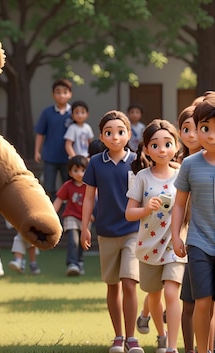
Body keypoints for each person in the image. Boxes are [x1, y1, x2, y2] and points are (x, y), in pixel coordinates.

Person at [80, 110, 143, 353]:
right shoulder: (95, 163)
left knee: (129, 282)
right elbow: (88, 198)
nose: (115, 137)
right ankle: (118, 337)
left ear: (129, 134)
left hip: (133, 231)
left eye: (120, 132)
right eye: (109, 133)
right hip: (105, 231)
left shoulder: (138, 162)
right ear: (101, 137)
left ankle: (132, 338)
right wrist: (85, 227)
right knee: (112, 285)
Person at [126, 119, 184, 353]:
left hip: (175, 245)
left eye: (168, 144)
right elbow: (129, 213)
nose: (162, 150)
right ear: (147, 149)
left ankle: (171, 347)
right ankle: (161, 335)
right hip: (148, 246)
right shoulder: (142, 177)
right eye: (156, 145)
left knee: (171, 292)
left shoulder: (183, 173)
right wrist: (146, 208)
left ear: (176, 146)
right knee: (154, 295)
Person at [171, 94, 215, 353]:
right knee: (202, 300)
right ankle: (201, 350)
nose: (210, 135)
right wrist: (176, 236)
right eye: (205, 128)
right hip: (198, 243)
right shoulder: (189, 164)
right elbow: (179, 204)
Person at [34, 78, 73, 200]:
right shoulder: (47, 113)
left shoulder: (74, 113)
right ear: (53, 94)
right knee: (48, 187)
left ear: (70, 94)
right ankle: (51, 212)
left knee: (69, 185)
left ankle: (68, 213)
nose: (61, 95)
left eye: (65, 92)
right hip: (50, 156)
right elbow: (40, 133)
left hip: (68, 157)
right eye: (58, 92)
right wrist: (37, 151)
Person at [53, 155, 89, 276]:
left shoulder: (89, 187)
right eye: (76, 170)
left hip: (85, 219)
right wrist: (52, 214)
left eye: (83, 170)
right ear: (70, 172)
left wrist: (94, 214)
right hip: (71, 216)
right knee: (73, 240)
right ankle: (72, 263)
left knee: (82, 242)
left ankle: (79, 261)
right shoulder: (67, 185)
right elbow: (59, 200)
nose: (79, 173)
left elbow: (97, 200)